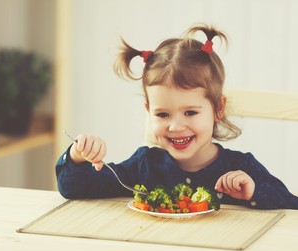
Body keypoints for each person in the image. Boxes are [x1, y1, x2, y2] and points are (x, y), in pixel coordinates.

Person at [55, 23, 298, 210]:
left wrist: (253, 191)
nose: (176, 126)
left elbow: (291, 205)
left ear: (218, 109)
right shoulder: (145, 166)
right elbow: (75, 188)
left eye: (190, 112)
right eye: (162, 114)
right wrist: (77, 157)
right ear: (148, 111)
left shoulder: (241, 167)